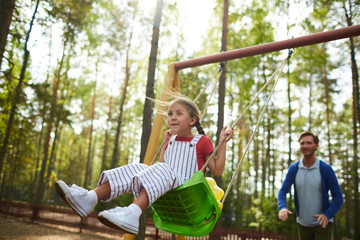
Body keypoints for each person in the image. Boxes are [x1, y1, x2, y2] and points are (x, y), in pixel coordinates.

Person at [55, 96, 234, 235]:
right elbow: (162, 166)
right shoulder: (170, 140)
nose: (172, 117)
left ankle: (132, 214)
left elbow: (217, 170)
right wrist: (165, 143)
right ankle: (89, 198)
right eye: (170, 114)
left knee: (158, 169)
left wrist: (222, 142)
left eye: (179, 113)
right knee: (138, 167)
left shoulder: (202, 141)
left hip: (187, 189)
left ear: (192, 120)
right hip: (167, 188)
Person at [277, 131, 343, 240]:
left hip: (322, 224)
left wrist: (327, 214)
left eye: (309, 143)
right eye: (302, 143)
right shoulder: (294, 168)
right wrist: (282, 207)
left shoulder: (325, 169)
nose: (305, 146)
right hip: (303, 224)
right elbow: (283, 191)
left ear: (316, 146)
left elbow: (338, 197)